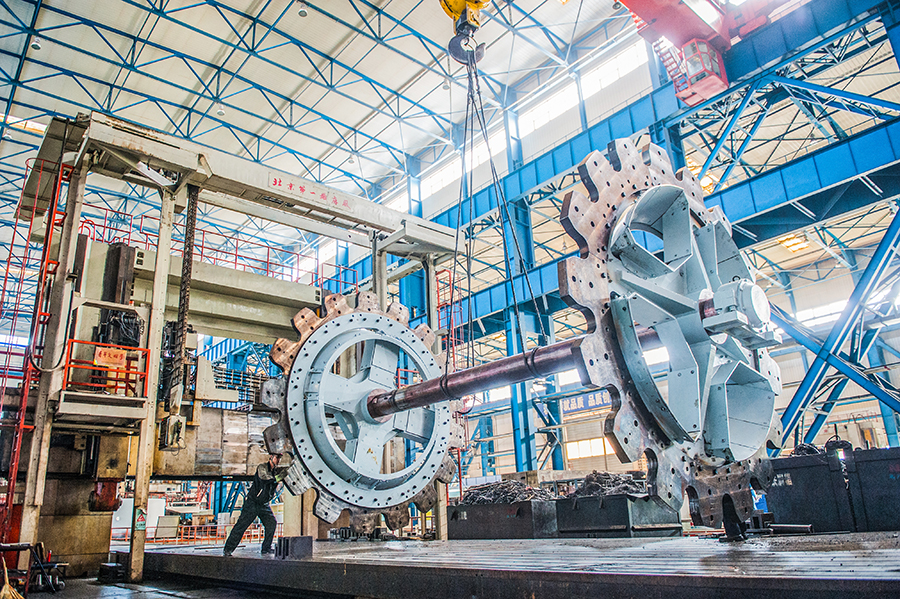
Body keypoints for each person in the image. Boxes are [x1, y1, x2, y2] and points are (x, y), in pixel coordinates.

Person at [223, 452, 286, 556]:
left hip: (264, 504)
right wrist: (279, 477)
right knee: (241, 526)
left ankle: (266, 548)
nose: (278, 460)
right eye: (277, 457)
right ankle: (228, 549)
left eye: (279, 458)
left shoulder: (276, 471)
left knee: (271, 524)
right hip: (252, 503)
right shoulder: (262, 467)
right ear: (271, 457)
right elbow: (264, 479)